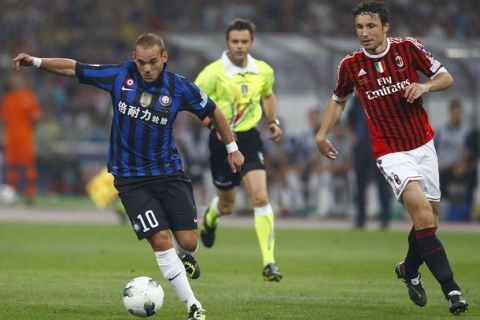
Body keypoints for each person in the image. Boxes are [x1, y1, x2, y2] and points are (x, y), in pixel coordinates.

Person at [12, 32, 244, 320]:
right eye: (142, 62)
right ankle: (194, 306)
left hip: (169, 173)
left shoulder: (179, 87)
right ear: (135, 59)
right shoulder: (120, 76)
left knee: (188, 242)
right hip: (130, 179)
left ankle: (184, 257)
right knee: (161, 240)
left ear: (164, 58)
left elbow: (214, 112)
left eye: (153, 62)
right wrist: (35, 61)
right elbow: (74, 68)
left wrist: (232, 148)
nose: (147, 69)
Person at [315, 1, 468, 315]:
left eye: (370, 26)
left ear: (386, 27)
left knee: (431, 221)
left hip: (424, 145)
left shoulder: (408, 49)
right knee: (424, 218)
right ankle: (452, 290)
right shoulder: (351, 65)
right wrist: (321, 133)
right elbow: (338, 100)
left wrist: (424, 86)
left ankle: (409, 269)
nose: (364, 33)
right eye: (359, 27)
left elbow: (446, 77)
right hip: (390, 152)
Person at [194, 18, 283, 282]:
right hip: (221, 141)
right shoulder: (212, 73)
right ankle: (211, 217)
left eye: (245, 41)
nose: (240, 46)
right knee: (228, 205)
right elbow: (191, 101)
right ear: (227, 42)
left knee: (260, 197)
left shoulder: (263, 70)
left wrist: (273, 122)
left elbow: (268, 94)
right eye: (235, 41)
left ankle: (269, 262)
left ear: (251, 42)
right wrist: (209, 122)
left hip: (249, 139)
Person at [347, 95, 392, 229]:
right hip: (361, 147)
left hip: (378, 146)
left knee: (382, 184)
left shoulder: (382, 98)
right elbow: (349, 122)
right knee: (360, 184)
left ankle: (385, 218)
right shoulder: (357, 101)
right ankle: (361, 218)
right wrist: (353, 136)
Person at [0, 72, 42, 205]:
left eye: (18, 79)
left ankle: (30, 195)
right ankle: (12, 194)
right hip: (11, 138)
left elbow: (36, 117)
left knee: (29, 165)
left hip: (25, 137)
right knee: (12, 166)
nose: (15, 82)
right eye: (14, 79)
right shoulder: (7, 99)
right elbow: (4, 120)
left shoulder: (28, 97)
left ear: (23, 81)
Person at [434, 100, 471, 220]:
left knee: (472, 177)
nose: (456, 115)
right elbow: (434, 150)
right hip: (442, 167)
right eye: (454, 113)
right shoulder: (441, 131)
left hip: (458, 167)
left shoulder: (466, 132)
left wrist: (462, 165)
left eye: (458, 113)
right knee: (439, 179)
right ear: (450, 113)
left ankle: (467, 210)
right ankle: (442, 212)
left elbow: (468, 151)